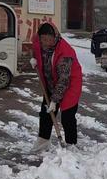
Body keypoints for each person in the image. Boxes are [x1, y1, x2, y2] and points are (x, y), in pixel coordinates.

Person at [30, 23, 82, 151]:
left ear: (56, 37)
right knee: (45, 114)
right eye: (44, 39)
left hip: (70, 84)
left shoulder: (65, 52)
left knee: (67, 117)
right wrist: (33, 59)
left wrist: (54, 100)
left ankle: (71, 145)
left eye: (50, 39)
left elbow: (64, 80)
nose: (47, 43)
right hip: (49, 82)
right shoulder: (38, 42)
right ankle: (42, 143)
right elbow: (35, 50)